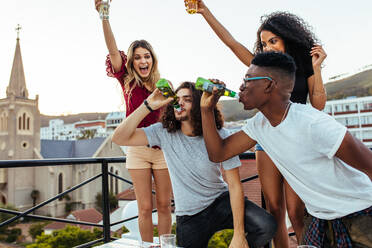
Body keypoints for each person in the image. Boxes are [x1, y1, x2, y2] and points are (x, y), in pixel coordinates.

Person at [185, 1, 327, 245]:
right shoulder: (261, 67)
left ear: (287, 39)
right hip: (266, 140)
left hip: (297, 142)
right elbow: (231, 42)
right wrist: (205, 12)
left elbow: (319, 104)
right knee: (274, 208)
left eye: (273, 41)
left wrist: (317, 68)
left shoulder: (304, 66)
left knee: (296, 211)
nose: (267, 46)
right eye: (263, 43)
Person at [200, 51, 372, 248]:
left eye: (248, 80)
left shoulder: (312, 123)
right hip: (318, 219)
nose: (241, 86)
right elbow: (218, 153)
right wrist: (206, 110)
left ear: (269, 84)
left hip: (360, 216)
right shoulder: (259, 124)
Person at [111, 81, 277, 248]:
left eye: (187, 99)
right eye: (177, 98)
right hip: (190, 216)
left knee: (266, 225)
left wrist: (239, 235)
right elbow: (119, 137)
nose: (180, 102)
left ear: (199, 104)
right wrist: (148, 105)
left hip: (220, 202)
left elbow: (234, 185)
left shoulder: (219, 135)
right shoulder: (163, 132)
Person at [94, 0, 172, 242]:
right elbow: (112, 48)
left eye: (146, 56)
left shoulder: (163, 85)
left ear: (152, 59)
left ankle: (166, 246)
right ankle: (147, 247)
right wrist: (104, 16)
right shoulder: (127, 79)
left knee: (165, 206)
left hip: (162, 150)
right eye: (137, 57)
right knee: (145, 208)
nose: (142, 61)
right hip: (137, 150)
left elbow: (175, 116)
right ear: (132, 62)